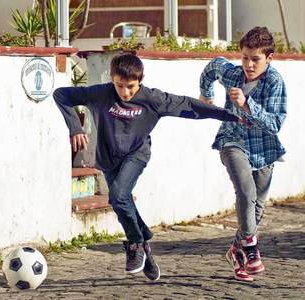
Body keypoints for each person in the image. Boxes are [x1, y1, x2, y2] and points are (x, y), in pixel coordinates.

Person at [54, 53, 242, 281]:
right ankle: (145, 250)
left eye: (130, 87)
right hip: (107, 157)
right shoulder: (100, 93)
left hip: (136, 154)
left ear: (140, 80)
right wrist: (75, 127)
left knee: (120, 196)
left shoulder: (153, 99)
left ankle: (134, 244)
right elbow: (61, 94)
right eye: (119, 85)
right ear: (112, 79)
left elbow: (187, 105)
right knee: (118, 201)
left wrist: (228, 115)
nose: (124, 92)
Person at [199, 26, 287, 282]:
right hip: (232, 141)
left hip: (264, 149)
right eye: (245, 57)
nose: (248, 64)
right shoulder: (233, 74)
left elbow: (275, 123)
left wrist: (247, 104)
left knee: (257, 208)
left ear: (269, 58)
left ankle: (236, 252)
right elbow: (213, 66)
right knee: (246, 192)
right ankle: (250, 249)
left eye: (255, 59)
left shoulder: (274, 82)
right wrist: (206, 95)